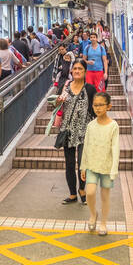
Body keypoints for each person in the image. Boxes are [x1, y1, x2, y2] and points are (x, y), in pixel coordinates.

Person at [53, 61, 97, 206]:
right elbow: (57, 105)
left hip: (85, 131)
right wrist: (58, 101)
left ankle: (82, 190)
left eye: (80, 69)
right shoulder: (65, 87)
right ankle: (72, 194)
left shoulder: (90, 89)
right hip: (68, 130)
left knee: (83, 164)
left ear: (85, 71)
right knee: (70, 164)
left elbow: (96, 108)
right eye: (75, 68)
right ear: (71, 71)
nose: (77, 71)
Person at [81, 91, 119, 235]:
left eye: (101, 105)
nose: (97, 108)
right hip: (91, 164)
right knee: (89, 192)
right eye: (95, 105)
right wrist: (83, 167)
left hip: (107, 166)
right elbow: (86, 145)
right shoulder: (91, 125)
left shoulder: (113, 126)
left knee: (105, 196)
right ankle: (93, 214)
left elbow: (115, 148)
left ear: (108, 106)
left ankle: (103, 223)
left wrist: (114, 169)